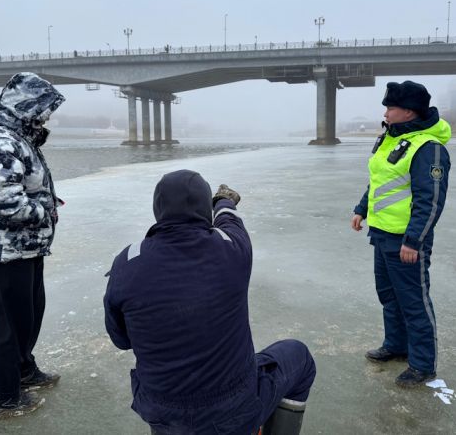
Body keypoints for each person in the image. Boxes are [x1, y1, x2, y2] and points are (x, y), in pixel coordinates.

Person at [104, 170, 316, 434]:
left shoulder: (126, 262)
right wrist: (224, 201)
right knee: (300, 357)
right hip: (233, 409)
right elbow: (231, 221)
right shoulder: (232, 249)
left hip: (163, 411)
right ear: (205, 209)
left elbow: (121, 339)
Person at [0, 72, 65, 421]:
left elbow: (24, 187)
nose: (46, 118)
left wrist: (46, 201)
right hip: (3, 252)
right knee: (9, 325)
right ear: (24, 106)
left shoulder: (19, 139)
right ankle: (3, 399)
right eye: (42, 110)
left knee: (30, 315)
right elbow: (7, 205)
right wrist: (47, 210)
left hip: (24, 248)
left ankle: (25, 370)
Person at [351, 81, 451, 387]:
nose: (385, 112)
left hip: (406, 241)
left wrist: (414, 240)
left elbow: (430, 200)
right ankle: (396, 345)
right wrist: (362, 209)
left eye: (390, 107)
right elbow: (380, 180)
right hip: (381, 234)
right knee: (389, 296)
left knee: (414, 301)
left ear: (408, 111)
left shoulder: (428, 148)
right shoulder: (391, 139)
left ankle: (423, 364)